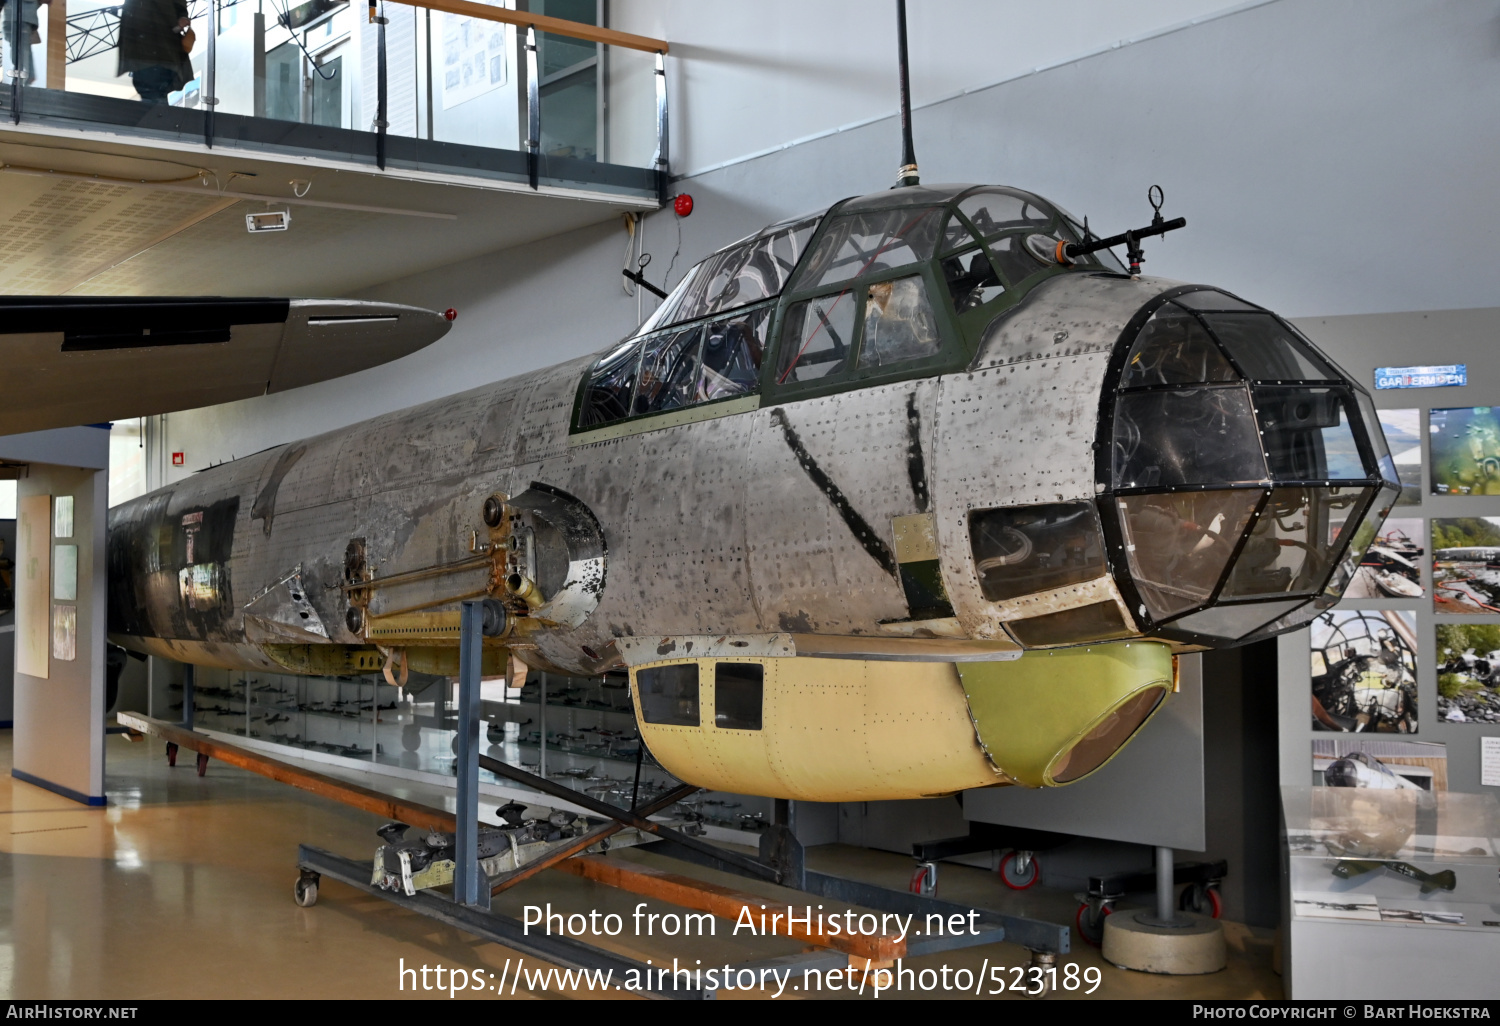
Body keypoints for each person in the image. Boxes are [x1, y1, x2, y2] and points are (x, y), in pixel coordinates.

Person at [116, 0, 194, 104]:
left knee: (153, 96)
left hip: (155, 55)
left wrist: (181, 20)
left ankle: (156, 116)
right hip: (152, 55)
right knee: (153, 96)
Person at [0, 0, 47, 85]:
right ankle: (21, 82)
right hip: (20, 18)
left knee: (21, 54)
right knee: (22, 55)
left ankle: (19, 83)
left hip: (19, 18)